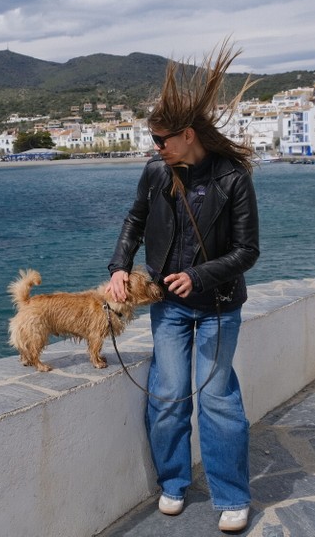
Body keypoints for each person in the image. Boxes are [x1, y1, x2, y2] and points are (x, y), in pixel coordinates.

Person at [107, 41, 260, 533]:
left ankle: (231, 496)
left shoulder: (233, 178)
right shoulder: (155, 172)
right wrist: (118, 266)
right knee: (169, 395)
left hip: (217, 306)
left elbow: (247, 252)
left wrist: (198, 275)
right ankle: (173, 484)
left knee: (218, 400)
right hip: (168, 309)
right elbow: (134, 220)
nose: (156, 148)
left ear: (187, 135)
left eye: (162, 140)